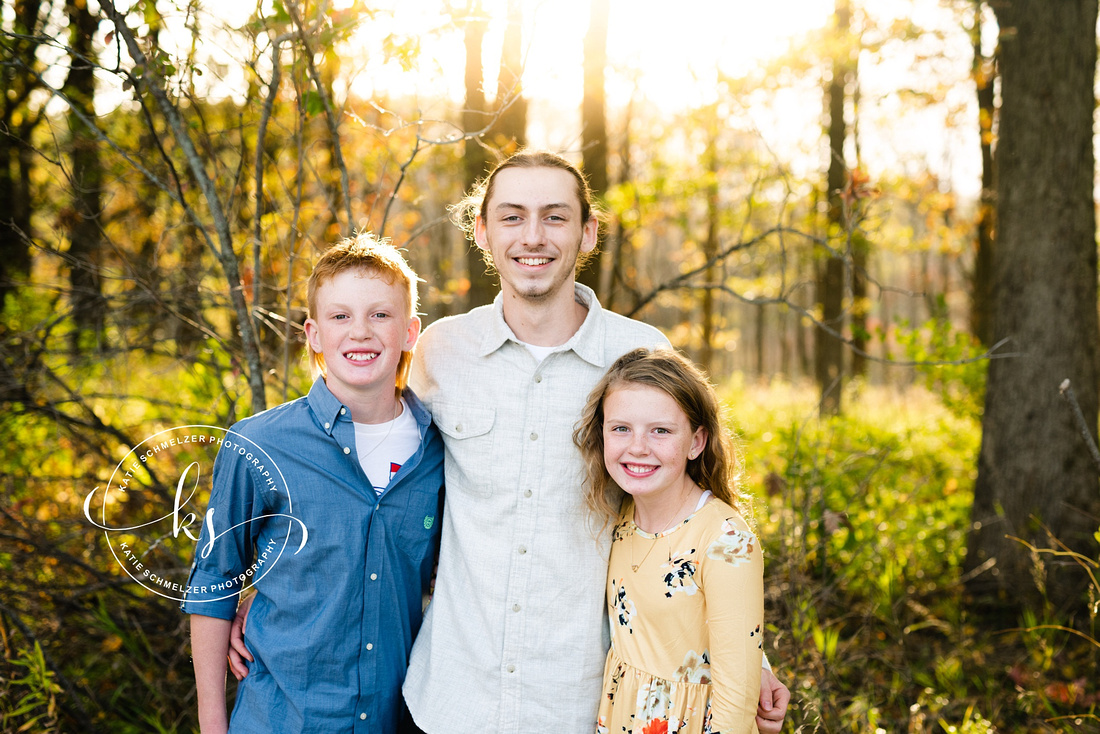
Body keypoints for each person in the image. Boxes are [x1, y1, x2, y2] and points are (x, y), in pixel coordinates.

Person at [230, 150, 790, 732]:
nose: (533, 236)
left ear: (586, 232)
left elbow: (681, 514)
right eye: (512, 216)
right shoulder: (442, 352)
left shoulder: (638, 352)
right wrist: (268, 586)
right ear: (483, 231)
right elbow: (357, 470)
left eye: (554, 216)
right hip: (451, 697)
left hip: (583, 699)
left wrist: (744, 655)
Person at [182, 234, 444, 733]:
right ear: (314, 334)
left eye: (380, 315)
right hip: (283, 719)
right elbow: (213, 586)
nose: (360, 333)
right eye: (340, 316)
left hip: (396, 719)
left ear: (410, 332)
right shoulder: (258, 444)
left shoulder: (438, 450)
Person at [575, 347, 764, 734]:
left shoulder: (726, 541)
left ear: (696, 442)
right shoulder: (622, 515)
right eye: (621, 428)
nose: (638, 447)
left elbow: (738, 699)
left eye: (660, 430)